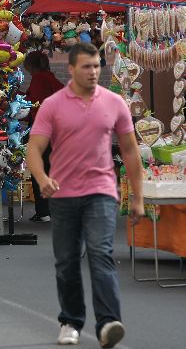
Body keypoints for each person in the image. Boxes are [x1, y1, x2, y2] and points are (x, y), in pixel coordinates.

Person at [26, 42, 145, 348]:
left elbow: (130, 150)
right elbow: (34, 148)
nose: (93, 72)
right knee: (66, 261)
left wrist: (138, 197)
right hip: (63, 194)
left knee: (100, 254)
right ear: (71, 69)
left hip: (101, 192)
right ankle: (70, 321)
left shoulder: (114, 103)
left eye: (96, 66)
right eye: (86, 67)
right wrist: (42, 178)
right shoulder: (53, 105)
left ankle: (108, 323)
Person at [24, 51, 64, 223]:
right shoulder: (52, 79)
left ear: (30, 66)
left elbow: (34, 104)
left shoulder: (39, 80)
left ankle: (43, 210)